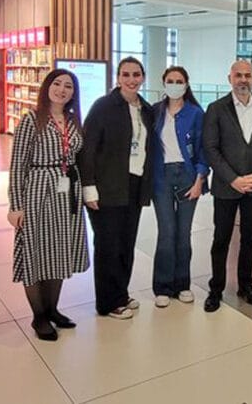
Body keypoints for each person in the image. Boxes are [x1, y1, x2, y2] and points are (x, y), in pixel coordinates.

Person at [8, 69, 88, 341]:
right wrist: (15, 205)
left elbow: (80, 157)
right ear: (47, 87)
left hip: (67, 193)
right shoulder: (31, 120)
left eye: (68, 86)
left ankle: (53, 310)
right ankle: (39, 315)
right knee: (35, 251)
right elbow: (18, 165)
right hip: (38, 191)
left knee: (59, 251)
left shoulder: (74, 121)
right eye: (57, 84)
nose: (62, 90)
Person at [81, 57, 155, 320]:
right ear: (118, 77)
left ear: (143, 77)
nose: (131, 79)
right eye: (126, 75)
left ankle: (121, 293)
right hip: (107, 186)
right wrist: (88, 187)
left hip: (133, 186)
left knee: (126, 243)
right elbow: (87, 149)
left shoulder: (146, 109)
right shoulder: (103, 107)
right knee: (108, 245)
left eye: (136, 75)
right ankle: (107, 302)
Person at [202, 60, 252, 313]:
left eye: (247, 75)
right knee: (221, 239)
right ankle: (216, 288)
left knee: (249, 239)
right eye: (238, 75)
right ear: (230, 78)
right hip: (226, 186)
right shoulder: (216, 109)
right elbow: (211, 149)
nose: (243, 80)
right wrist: (233, 179)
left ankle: (245, 285)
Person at [150, 67, 209, 308]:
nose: (175, 84)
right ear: (163, 83)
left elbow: (204, 149)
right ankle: (163, 286)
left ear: (186, 85)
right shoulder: (154, 112)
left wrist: (199, 181)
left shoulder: (196, 113)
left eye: (179, 81)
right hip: (161, 177)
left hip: (187, 176)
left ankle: (182, 284)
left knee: (184, 235)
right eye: (170, 81)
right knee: (167, 233)